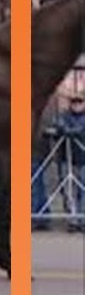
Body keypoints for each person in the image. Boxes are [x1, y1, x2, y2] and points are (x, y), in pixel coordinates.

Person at [54, 96, 85, 232]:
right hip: (68, 159)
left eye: (80, 102)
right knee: (69, 190)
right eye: (74, 102)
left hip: (83, 159)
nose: (76, 105)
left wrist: (70, 131)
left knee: (83, 190)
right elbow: (58, 128)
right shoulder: (63, 116)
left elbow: (79, 130)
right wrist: (64, 129)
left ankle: (82, 218)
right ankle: (73, 219)